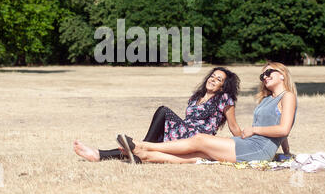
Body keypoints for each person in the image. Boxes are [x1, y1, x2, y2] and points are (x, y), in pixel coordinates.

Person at [119, 62, 297, 164]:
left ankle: (142, 146)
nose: (264, 76)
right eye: (262, 75)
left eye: (268, 72)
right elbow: (279, 129)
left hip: (258, 149)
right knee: (198, 155)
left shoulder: (287, 96)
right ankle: (145, 157)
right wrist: (286, 152)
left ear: (282, 74)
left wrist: (255, 130)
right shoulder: (266, 100)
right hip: (249, 143)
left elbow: (283, 129)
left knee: (200, 139)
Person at [74, 67, 242, 162]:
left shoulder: (224, 99)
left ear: (223, 86)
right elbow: (187, 121)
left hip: (198, 139)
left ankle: (125, 151)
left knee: (163, 111)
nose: (213, 79)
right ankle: (100, 154)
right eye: (212, 76)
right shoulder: (195, 98)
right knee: (155, 135)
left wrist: (249, 144)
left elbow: (233, 127)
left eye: (218, 79)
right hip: (182, 135)